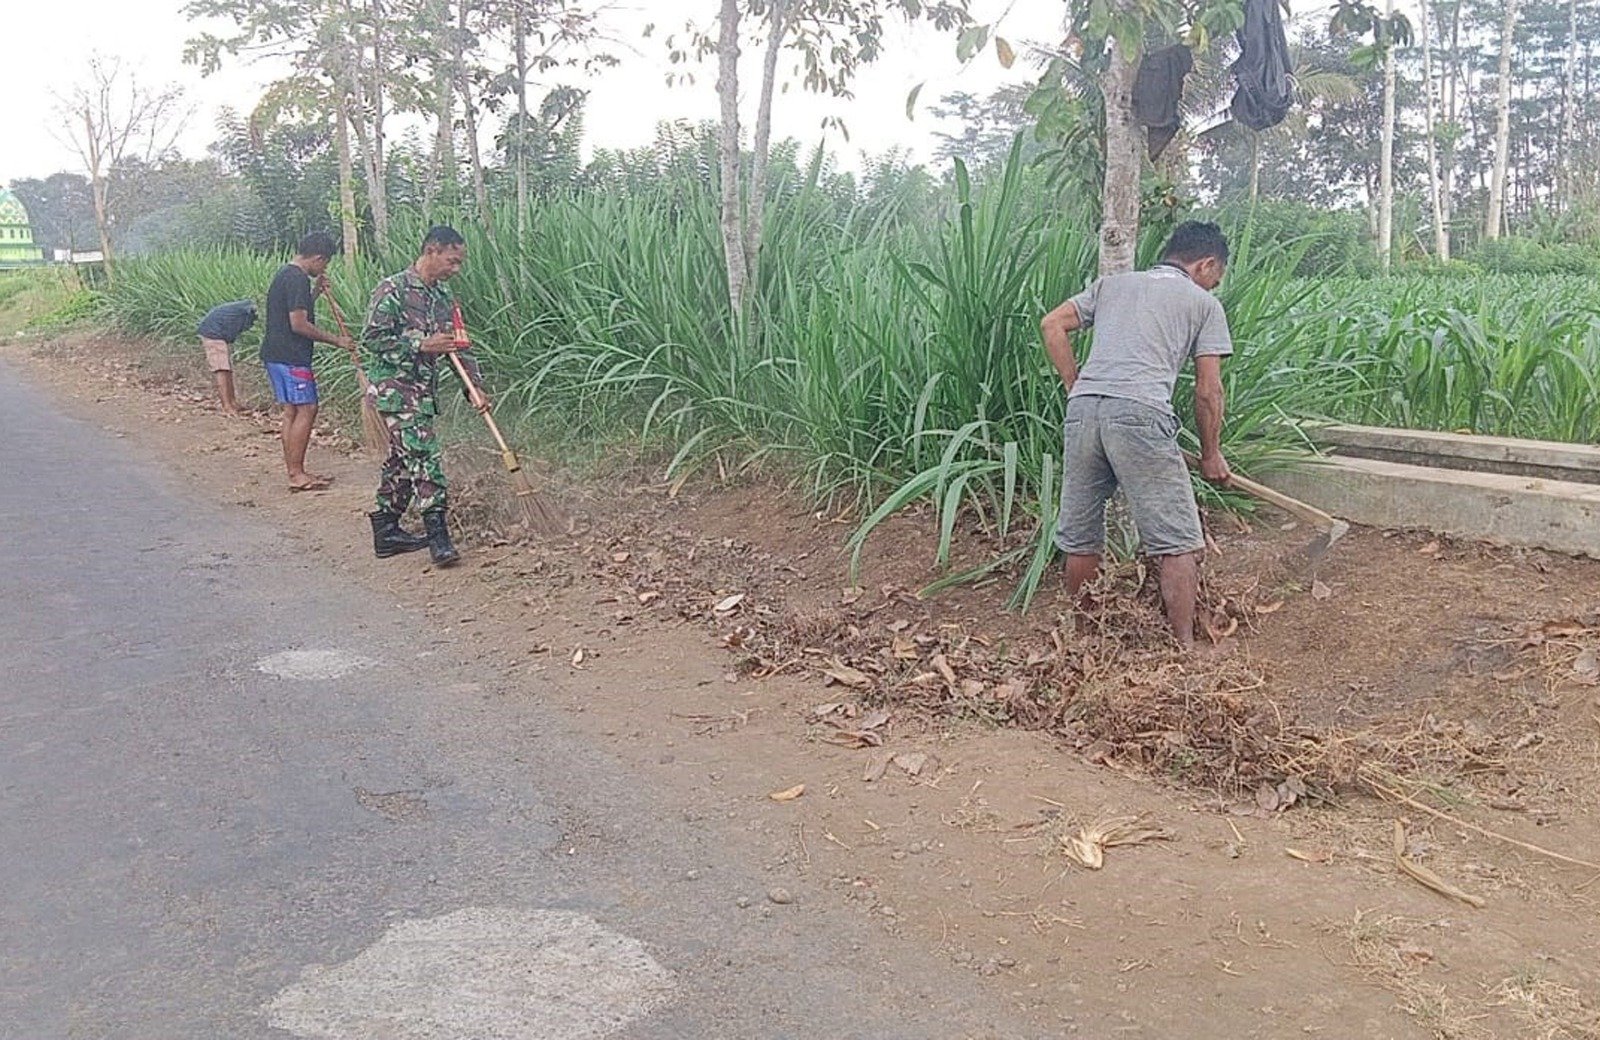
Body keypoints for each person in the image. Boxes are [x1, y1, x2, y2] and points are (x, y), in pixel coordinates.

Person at [1039, 221, 1234, 649]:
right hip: (1142, 414)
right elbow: (1208, 391)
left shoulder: (1112, 285)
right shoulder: (1202, 305)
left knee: (1081, 535)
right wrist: (1211, 453)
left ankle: (1084, 643)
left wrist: (1077, 386)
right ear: (1206, 265)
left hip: (1084, 412)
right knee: (1178, 540)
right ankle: (1184, 651)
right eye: (1215, 279)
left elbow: (1051, 323)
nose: (1213, 286)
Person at [361, 225, 489, 567]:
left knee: (403, 460)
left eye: (459, 263)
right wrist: (420, 344)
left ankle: (386, 530)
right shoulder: (393, 289)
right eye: (452, 261)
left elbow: (457, 346)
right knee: (424, 456)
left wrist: (473, 386)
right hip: (395, 391)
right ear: (432, 250)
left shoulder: (443, 298)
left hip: (422, 391)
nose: (455, 269)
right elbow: (372, 339)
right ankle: (439, 538)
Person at [261, 231, 354, 492]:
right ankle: (296, 474)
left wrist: (315, 294)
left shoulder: (287, 275)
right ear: (318, 258)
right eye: (325, 263)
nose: (324, 268)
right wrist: (338, 340)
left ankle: (295, 470)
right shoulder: (297, 278)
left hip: (275, 353)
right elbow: (299, 324)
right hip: (291, 356)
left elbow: (295, 310)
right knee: (307, 408)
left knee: (292, 410)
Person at [196, 299, 256, 416]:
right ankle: (227, 406)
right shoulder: (250, 310)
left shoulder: (248, 307)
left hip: (217, 330)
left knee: (226, 369)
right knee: (222, 369)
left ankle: (232, 402)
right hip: (212, 332)